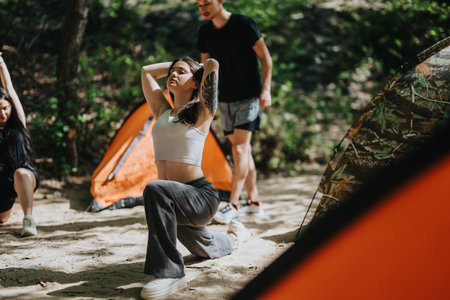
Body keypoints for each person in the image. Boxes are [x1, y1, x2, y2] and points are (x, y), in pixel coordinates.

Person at [140, 56, 251, 299]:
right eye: (172, 71)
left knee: (155, 189)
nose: (173, 74)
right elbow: (147, 71)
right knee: (206, 248)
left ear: (195, 82)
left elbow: (212, 64)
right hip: (173, 203)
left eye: (180, 72)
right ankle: (236, 236)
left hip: (199, 196)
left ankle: (170, 275)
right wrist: (178, 64)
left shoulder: (202, 113)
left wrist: (201, 68)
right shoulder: (161, 110)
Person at [196, 0, 273, 224]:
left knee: (239, 150)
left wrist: (266, 90)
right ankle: (255, 202)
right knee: (243, 151)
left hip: (249, 96)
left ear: (220, 1)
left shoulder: (244, 24)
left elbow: (266, 59)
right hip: (224, 99)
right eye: (199, 5)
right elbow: (205, 69)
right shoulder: (205, 32)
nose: (203, 8)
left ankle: (234, 204)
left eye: (207, 3)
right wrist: (203, 99)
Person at [0, 52, 39, 236]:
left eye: (5, 108)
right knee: (2, 219)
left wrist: (1, 63)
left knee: (21, 173)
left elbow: (10, 89)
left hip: (22, 176)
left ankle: (29, 220)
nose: (3, 113)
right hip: (2, 184)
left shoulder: (18, 123)